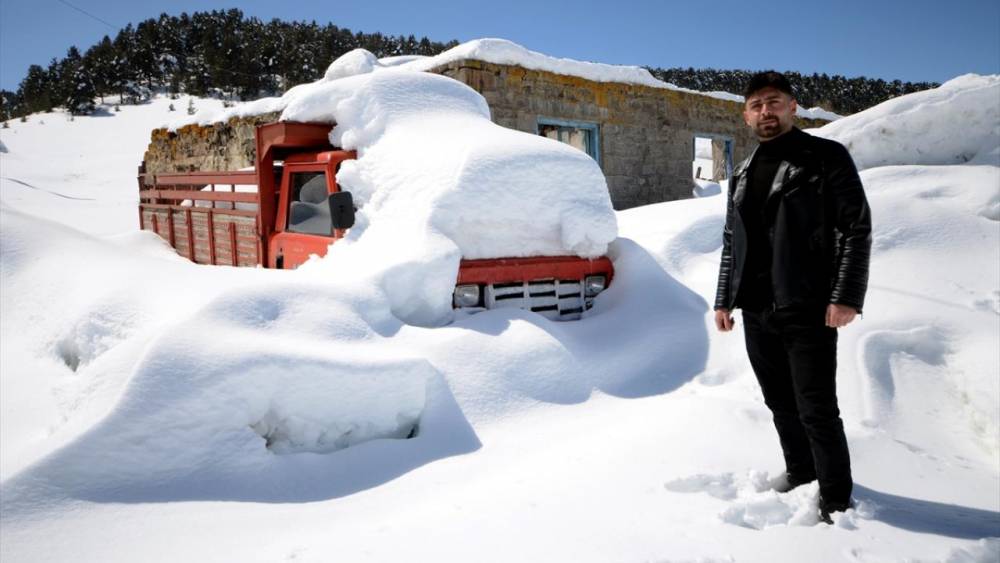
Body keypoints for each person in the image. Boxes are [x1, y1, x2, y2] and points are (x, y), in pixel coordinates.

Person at [713, 71, 872, 522]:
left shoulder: (825, 157)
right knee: (779, 402)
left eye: (775, 102)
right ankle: (802, 472)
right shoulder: (742, 172)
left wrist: (845, 296)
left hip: (809, 304)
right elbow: (732, 240)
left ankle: (837, 500)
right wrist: (725, 298)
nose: (767, 111)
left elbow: (855, 228)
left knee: (816, 407)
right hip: (758, 308)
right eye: (757, 105)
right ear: (746, 116)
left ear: (792, 107)